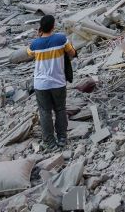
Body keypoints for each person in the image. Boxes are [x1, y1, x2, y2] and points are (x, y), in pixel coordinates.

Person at [27, 14, 76, 149]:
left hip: (41, 84)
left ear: (41, 28)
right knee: (60, 109)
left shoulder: (34, 44)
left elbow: (29, 54)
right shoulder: (61, 39)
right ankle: (62, 138)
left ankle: (49, 142)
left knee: (45, 112)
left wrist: (39, 36)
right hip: (58, 82)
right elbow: (72, 53)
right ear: (53, 26)